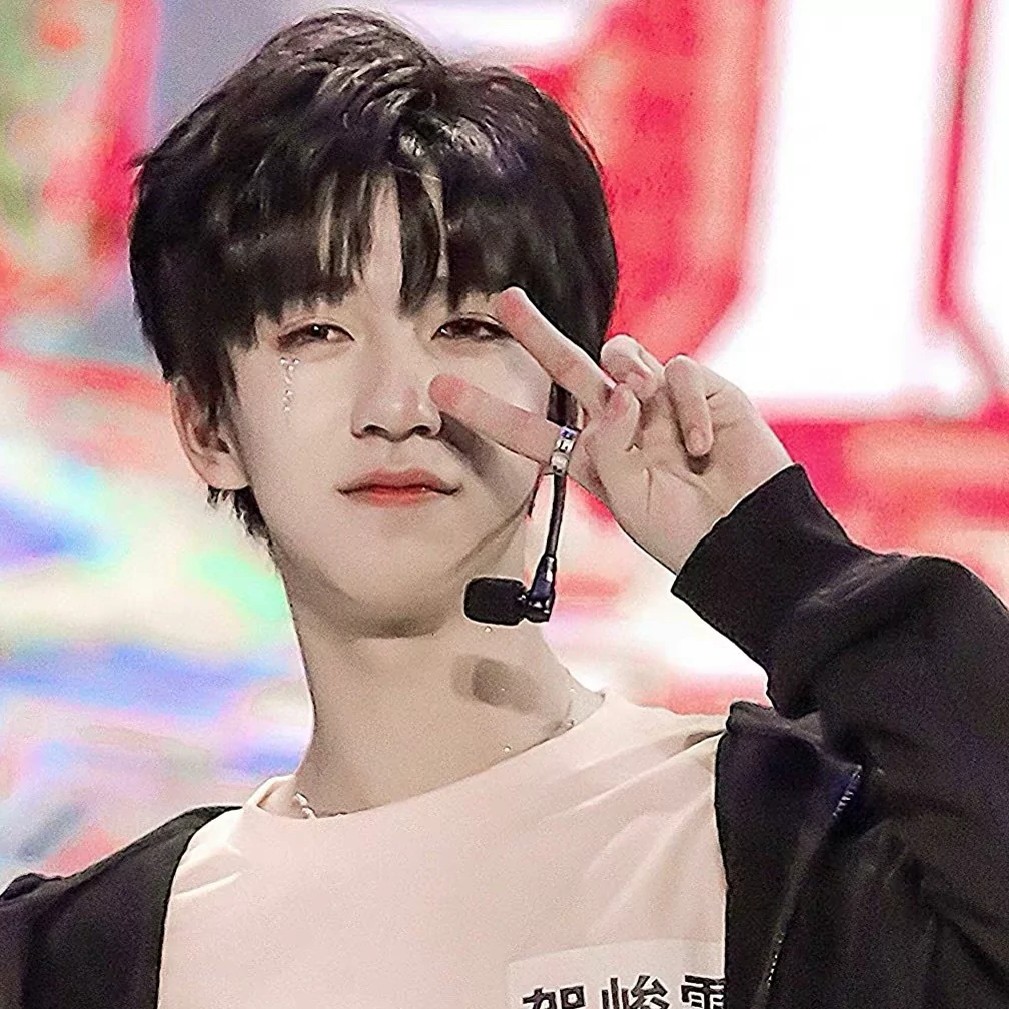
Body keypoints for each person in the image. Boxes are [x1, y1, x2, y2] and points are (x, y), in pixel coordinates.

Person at [1, 9, 1007, 1008]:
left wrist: (783, 565)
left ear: (565, 392)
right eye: (315, 332)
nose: (397, 405)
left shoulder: (780, 844)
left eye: (467, 326)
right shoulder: (73, 960)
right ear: (208, 423)